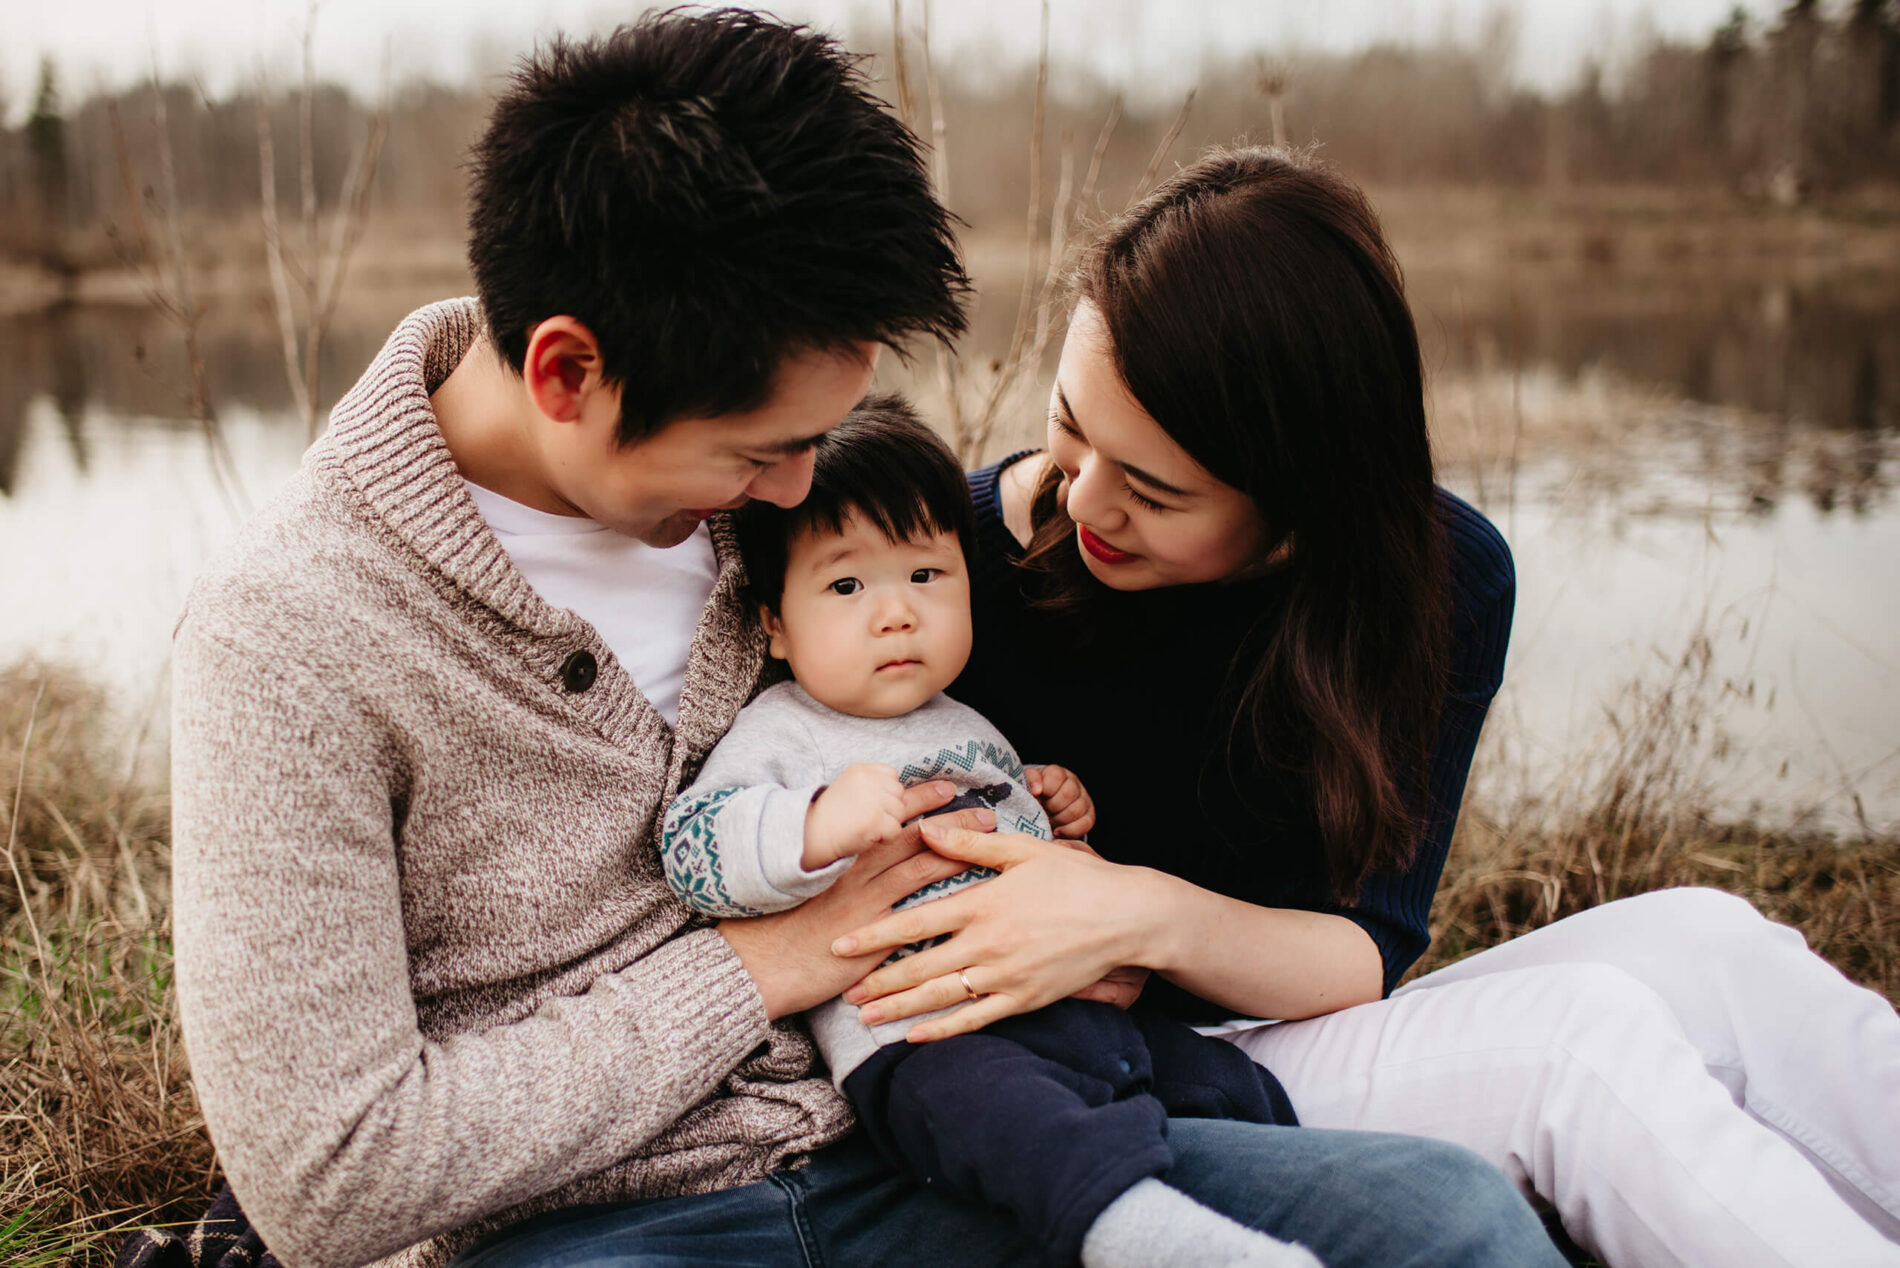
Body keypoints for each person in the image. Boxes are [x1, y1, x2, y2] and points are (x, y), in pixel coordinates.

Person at [137, 16, 1568, 1268]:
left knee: (1448, 1226)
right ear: (569, 373)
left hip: (958, 1148)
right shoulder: (293, 640)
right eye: (762, 452)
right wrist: (778, 963)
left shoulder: (779, 512)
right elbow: (329, 1179)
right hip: (603, 1233)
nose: (797, 496)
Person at [826, 145, 1900, 1268]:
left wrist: (1139, 910)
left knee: (1713, 943)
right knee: (1577, 1053)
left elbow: (1366, 944)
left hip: (1292, 1012)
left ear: (1302, 492)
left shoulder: (1440, 579)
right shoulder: (936, 580)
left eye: (1154, 490)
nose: (1086, 498)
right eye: (1071, 427)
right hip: (1099, 1069)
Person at [661, 399, 1319, 1268]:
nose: (895, 614)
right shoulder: (783, 731)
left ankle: (1278, 1204)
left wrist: (1053, 809)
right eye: (847, 585)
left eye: (925, 576)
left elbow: (1011, 839)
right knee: (1015, 1126)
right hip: (924, 1039)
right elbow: (694, 851)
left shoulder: (967, 721)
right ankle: (1131, 1233)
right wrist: (814, 828)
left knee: (1229, 1085)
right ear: (775, 624)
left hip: (1057, 1004)